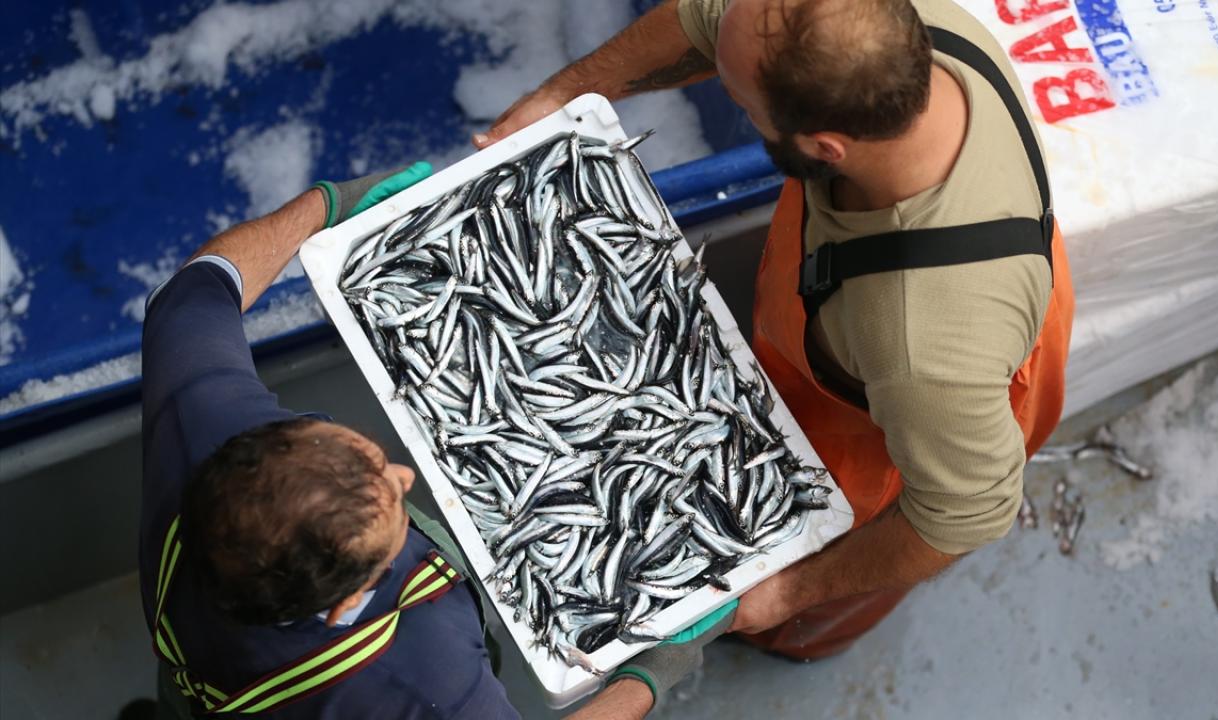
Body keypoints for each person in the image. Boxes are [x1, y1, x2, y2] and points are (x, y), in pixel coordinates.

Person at [478, 0, 1074, 660]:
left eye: (741, 103)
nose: (731, 97)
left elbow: (966, 514)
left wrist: (787, 593)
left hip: (914, 422)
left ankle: (796, 640)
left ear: (824, 148)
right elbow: (711, 18)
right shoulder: (895, 32)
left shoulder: (918, 343)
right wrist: (564, 94)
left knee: (802, 595)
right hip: (919, 310)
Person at [139, 164, 733, 718]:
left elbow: (190, 293)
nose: (406, 476)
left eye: (370, 457)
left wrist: (324, 206)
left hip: (198, 669)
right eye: (395, 513)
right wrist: (648, 676)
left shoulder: (202, 424)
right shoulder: (426, 677)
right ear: (348, 605)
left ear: (272, 436)